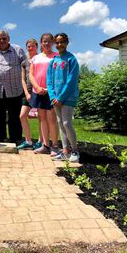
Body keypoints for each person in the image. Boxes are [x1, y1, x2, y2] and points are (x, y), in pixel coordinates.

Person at [0, 29, 26, 145]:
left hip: (15, 89)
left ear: (8, 39)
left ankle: (16, 138)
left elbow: (26, 66)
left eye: (4, 38)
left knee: (15, 116)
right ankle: (0, 138)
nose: (2, 40)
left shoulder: (17, 49)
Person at [47, 33, 80, 162]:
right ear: (55, 44)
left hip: (68, 97)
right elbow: (49, 80)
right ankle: (65, 151)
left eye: (62, 42)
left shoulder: (72, 59)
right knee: (60, 123)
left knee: (67, 122)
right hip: (56, 99)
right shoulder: (53, 61)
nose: (59, 45)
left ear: (67, 43)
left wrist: (61, 97)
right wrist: (53, 96)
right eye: (57, 42)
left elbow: (71, 81)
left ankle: (75, 151)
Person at [29, 33, 60, 155]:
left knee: (52, 119)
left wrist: (49, 89)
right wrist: (36, 87)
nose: (46, 43)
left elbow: (59, 76)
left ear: (52, 43)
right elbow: (31, 74)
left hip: (51, 92)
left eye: (49, 41)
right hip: (38, 91)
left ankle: (55, 146)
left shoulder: (56, 57)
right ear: (41, 43)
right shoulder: (35, 58)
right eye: (44, 41)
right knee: (42, 119)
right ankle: (45, 145)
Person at [18, 38, 44, 150]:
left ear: (37, 46)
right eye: (28, 46)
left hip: (39, 91)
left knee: (41, 118)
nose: (30, 48)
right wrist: (27, 93)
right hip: (28, 92)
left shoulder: (41, 59)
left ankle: (41, 141)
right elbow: (23, 79)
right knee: (22, 116)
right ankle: (28, 141)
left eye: (33, 46)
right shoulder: (24, 62)